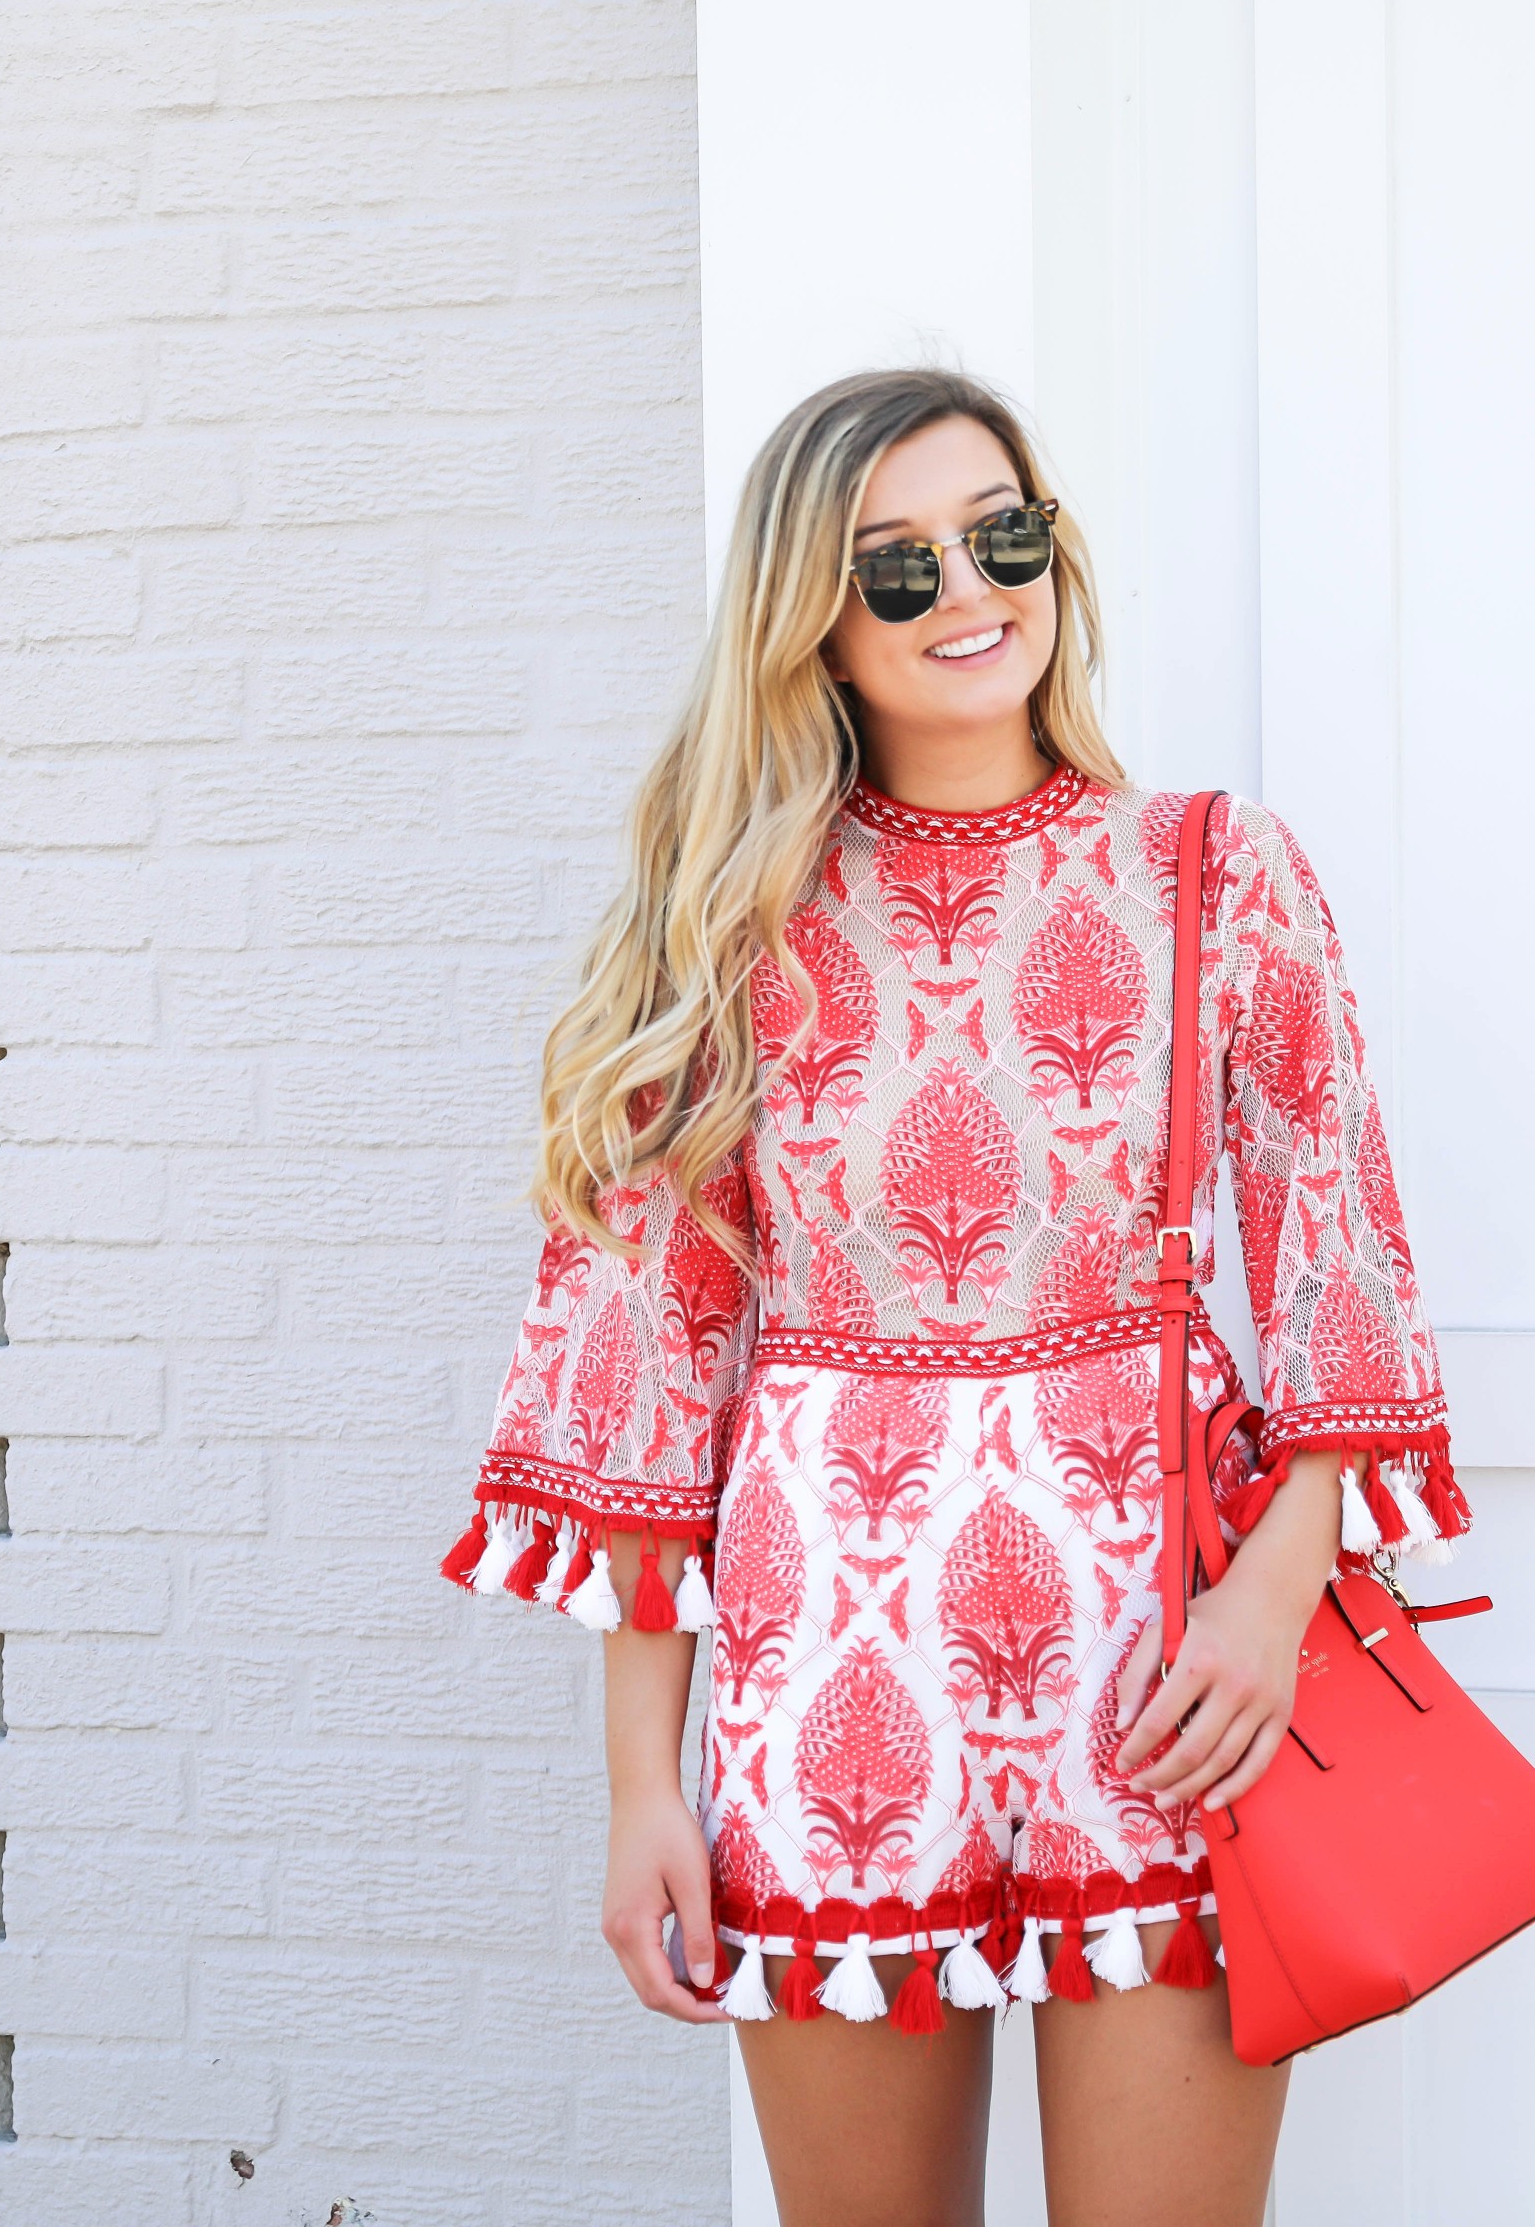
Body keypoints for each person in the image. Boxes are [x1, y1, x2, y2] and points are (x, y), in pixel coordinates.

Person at [437, 369, 1460, 2227]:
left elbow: (1340, 1259)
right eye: (893, 566)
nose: (968, 591)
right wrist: (637, 1790)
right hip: (825, 1659)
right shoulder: (722, 925)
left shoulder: (1213, 875)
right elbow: (651, 1371)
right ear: (809, 623)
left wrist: (1275, 1592)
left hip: (1170, 1664)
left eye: (1002, 535)